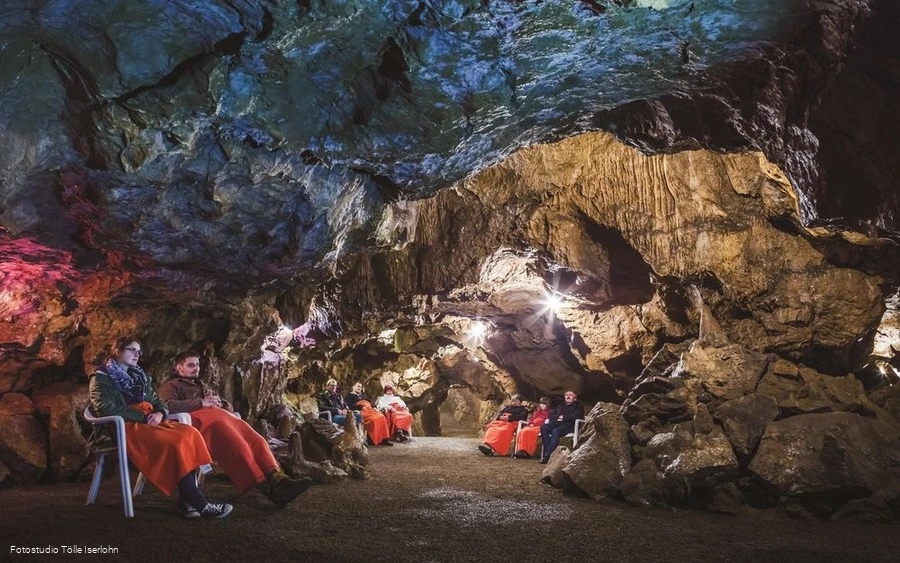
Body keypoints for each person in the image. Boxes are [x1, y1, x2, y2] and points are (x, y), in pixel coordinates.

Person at [88, 336, 232, 519]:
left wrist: (160, 413)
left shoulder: (138, 376)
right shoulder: (101, 376)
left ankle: (188, 502)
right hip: (123, 427)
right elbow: (105, 408)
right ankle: (200, 504)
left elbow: (157, 401)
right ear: (118, 351)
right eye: (132, 350)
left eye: (139, 351)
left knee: (189, 434)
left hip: (149, 421)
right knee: (175, 442)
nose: (137, 354)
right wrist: (143, 416)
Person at [158, 351, 312, 507]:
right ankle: (268, 490)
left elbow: (228, 406)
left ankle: (279, 479)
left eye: (197, 365)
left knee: (256, 440)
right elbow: (167, 406)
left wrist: (222, 403)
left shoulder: (203, 384)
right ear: (179, 368)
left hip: (224, 418)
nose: (196, 368)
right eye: (191, 365)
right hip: (203, 426)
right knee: (238, 445)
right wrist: (200, 403)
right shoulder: (171, 385)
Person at [538, 389, 584, 464]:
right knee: (544, 427)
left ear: (575, 397)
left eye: (570, 395)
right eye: (566, 395)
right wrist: (558, 417)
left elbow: (578, 416)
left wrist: (564, 417)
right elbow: (551, 415)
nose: (568, 396)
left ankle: (547, 456)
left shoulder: (578, 406)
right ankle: (549, 454)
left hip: (569, 425)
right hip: (557, 423)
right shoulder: (560, 406)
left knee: (555, 431)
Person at [346, 382, 392, 446]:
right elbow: (348, 406)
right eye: (358, 386)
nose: (359, 388)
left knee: (382, 416)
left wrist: (374, 407)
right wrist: (360, 407)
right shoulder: (349, 396)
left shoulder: (362, 396)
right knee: (373, 419)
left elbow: (369, 402)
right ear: (353, 387)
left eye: (360, 387)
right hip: (362, 411)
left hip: (370, 410)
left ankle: (384, 439)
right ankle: (372, 440)